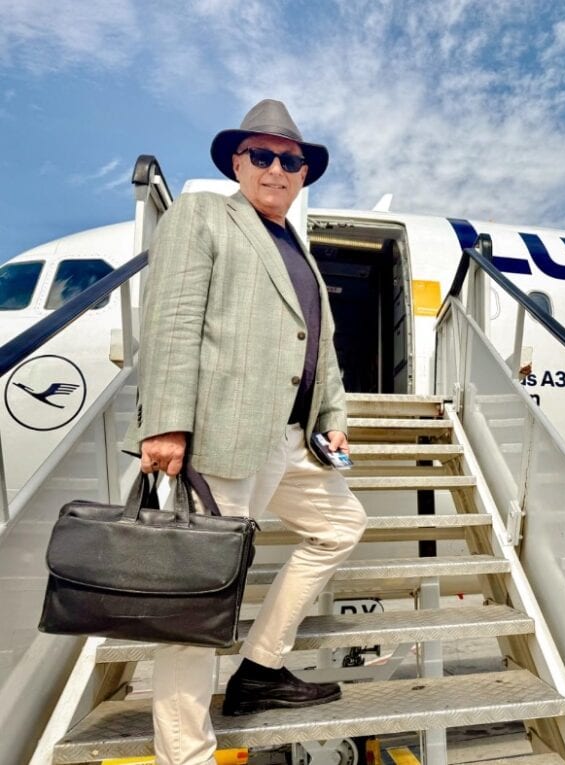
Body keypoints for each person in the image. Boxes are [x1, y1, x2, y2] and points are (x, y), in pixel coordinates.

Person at [122, 99, 367, 765]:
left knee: (342, 525)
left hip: (292, 442)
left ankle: (260, 665)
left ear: (302, 175)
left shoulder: (300, 251)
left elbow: (323, 351)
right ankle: (187, 753)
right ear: (238, 161)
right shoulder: (205, 215)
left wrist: (334, 420)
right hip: (225, 433)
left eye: (291, 160)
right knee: (200, 598)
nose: (278, 168)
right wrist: (167, 423)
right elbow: (172, 318)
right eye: (262, 155)